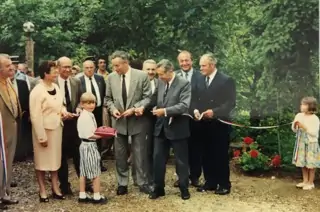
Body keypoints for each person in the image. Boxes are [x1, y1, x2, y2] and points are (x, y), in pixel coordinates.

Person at [105, 50, 151, 195]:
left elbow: (148, 98)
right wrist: (113, 110)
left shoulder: (142, 76)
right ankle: (122, 183)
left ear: (126, 63)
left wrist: (135, 108)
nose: (115, 69)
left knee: (139, 154)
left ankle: (141, 182)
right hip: (118, 123)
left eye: (117, 65)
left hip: (137, 121)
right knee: (120, 155)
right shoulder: (111, 78)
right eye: (113, 66)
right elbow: (107, 99)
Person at [192, 53, 236, 195]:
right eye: (200, 65)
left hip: (219, 124)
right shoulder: (199, 79)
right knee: (205, 154)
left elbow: (230, 103)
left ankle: (223, 184)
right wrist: (196, 110)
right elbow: (193, 98)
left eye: (203, 65)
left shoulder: (226, 80)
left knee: (220, 155)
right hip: (202, 124)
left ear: (212, 65)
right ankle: (210, 182)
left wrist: (215, 112)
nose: (201, 68)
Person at [149, 59, 191, 200]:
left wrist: (165, 111)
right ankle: (158, 188)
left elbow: (184, 105)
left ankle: (184, 188)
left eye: (161, 74)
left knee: (181, 161)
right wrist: (142, 107)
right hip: (161, 128)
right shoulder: (160, 82)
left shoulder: (184, 84)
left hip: (178, 128)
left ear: (170, 71)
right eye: (158, 75)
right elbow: (153, 99)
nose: (159, 77)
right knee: (158, 159)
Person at [30, 60, 71, 202]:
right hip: (43, 131)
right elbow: (35, 116)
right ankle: (42, 190)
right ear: (45, 73)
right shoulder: (37, 91)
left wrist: (64, 111)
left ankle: (55, 187)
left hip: (56, 130)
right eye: (54, 71)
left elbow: (61, 104)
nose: (57, 72)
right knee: (41, 163)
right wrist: (41, 137)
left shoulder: (56, 87)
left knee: (55, 161)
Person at [56, 57, 83, 195]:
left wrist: (78, 108)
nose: (68, 70)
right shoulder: (51, 82)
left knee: (78, 154)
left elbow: (80, 100)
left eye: (70, 67)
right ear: (58, 67)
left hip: (74, 123)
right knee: (61, 156)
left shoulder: (76, 81)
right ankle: (64, 185)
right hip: (58, 123)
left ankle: (85, 183)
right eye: (65, 67)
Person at [77, 92, 107, 204]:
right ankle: (97, 196)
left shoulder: (89, 114)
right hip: (89, 145)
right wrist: (104, 135)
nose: (91, 105)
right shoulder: (85, 117)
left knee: (83, 171)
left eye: (93, 102)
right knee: (95, 171)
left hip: (84, 145)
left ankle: (82, 194)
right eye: (88, 103)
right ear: (82, 104)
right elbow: (90, 134)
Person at [0, 54, 20, 210]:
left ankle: (4, 193)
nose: (12, 67)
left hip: (12, 128)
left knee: (8, 161)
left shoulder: (8, 82)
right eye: (8, 66)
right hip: (1, 131)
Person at [79, 60, 107, 172]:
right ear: (83, 68)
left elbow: (104, 93)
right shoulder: (79, 81)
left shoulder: (100, 79)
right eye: (87, 67)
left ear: (95, 68)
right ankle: (86, 161)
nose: (89, 70)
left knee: (98, 134)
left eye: (91, 67)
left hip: (98, 111)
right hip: (85, 112)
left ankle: (98, 161)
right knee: (88, 135)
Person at [292, 96, 320, 190]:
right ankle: (305, 181)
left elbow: (314, 133)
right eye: (301, 104)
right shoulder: (299, 115)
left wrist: (303, 127)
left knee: (311, 164)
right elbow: (294, 130)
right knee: (302, 163)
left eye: (304, 104)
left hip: (311, 144)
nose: (301, 106)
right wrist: (295, 125)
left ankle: (311, 182)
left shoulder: (314, 118)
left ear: (310, 106)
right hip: (301, 143)